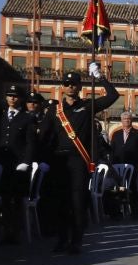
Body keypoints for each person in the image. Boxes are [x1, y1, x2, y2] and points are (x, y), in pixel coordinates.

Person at [43, 69, 119, 254]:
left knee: (77, 202)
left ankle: (76, 241)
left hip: (79, 160)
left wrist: (100, 77)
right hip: (59, 160)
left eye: (74, 84)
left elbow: (113, 95)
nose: (70, 86)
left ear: (79, 87)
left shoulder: (88, 106)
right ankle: (62, 239)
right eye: (67, 84)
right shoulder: (54, 110)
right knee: (60, 201)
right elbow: (46, 137)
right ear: (63, 87)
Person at [0, 80, 37, 241]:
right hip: (2, 163)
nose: (12, 99)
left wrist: (26, 161)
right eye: (9, 96)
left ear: (21, 99)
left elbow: (30, 142)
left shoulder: (27, 118)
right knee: (4, 198)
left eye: (15, 96)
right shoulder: (0, 115)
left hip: (18, 165)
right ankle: (4, 229)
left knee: (16, 200)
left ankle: (14, 231)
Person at [109, 111, 138, 218]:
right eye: (124, 119)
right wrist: (111, 165)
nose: (127, 120)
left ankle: (135, 212)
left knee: (132, 188)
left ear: (131, 120)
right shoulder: (116, 134)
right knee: (117, 189)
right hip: (117, 166)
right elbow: (112, 151)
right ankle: (116, 213)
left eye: (128, 119)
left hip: (133, 166)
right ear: (121, 121)